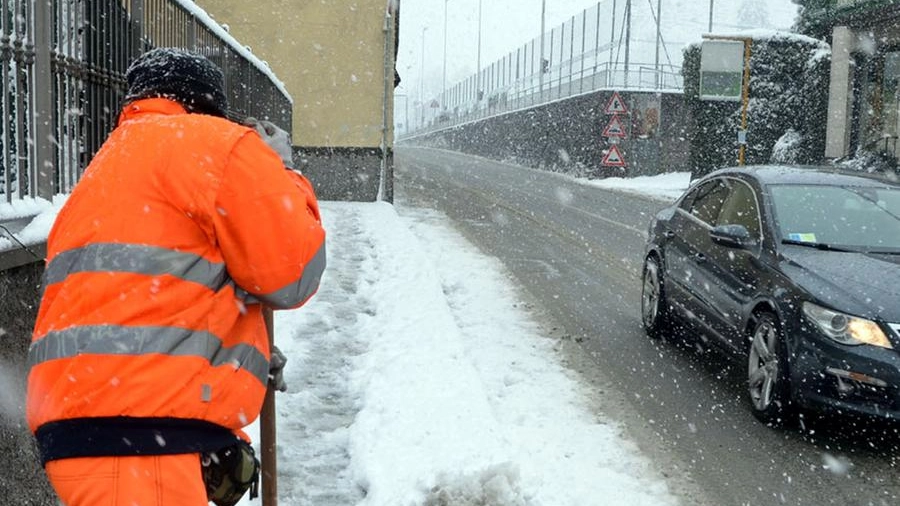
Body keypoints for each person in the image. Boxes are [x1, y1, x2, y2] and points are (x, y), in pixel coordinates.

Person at [25, 47, 326, 506]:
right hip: (144, 435)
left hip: (82, 433)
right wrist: (283, 172)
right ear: (212, 105)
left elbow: (149, 293)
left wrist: (237, 348)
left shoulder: (109, 164)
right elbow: (292, 274)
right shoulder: (215, 144)